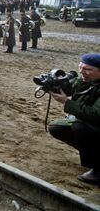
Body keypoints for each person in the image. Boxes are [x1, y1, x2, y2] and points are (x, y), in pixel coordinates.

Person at [48, 53, 100, 185]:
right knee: (56, 128)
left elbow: (96, 114)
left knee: (80, 128)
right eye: (81, 67)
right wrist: (54, 83)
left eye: (88, 69)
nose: (82, 72)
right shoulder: (87, 80)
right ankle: (93, 156)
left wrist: (67, 102)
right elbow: (71, 88)